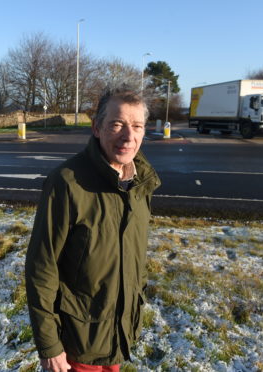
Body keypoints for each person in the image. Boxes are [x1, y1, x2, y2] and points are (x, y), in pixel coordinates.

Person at [25, 87, 161, 372]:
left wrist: (137, 298)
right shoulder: (66, 182)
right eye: (117, 124)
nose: (128, 136)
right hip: (78, 339)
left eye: (137, 126)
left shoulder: (141, 183)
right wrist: (49, 345)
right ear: (97, 128)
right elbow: (42, 267)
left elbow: (134, 255)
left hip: (119, 333)